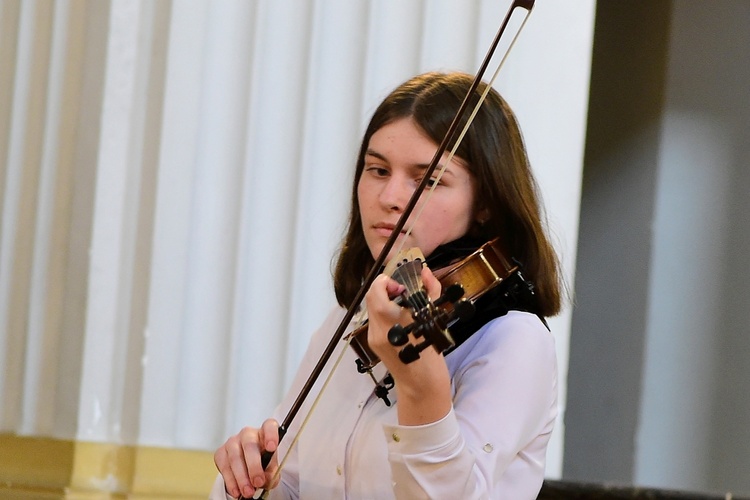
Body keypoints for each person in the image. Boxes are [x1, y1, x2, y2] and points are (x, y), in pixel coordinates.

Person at [210, 71, 563, 499]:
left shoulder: (513, 340)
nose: (392, 196)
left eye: (429, 179)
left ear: (486, 202)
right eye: (377, 170)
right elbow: (295, 483)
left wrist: (420, 387)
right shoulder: (350, 320)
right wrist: (247, 478)